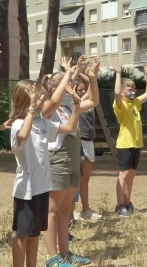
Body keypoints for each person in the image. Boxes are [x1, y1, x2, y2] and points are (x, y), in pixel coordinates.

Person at [9, 81, 79, 267]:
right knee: (22, 235)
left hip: (42, 187)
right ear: (26, 98)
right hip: (27, 190)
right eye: (38, 96)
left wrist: (76, 105)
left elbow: (70, 128)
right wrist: (31, 111)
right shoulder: (18, 124)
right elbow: (22, 137)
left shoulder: (42, 123)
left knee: (34, 234)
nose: (43, 99)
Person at [41, 56, 98, 267]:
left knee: (66, 211)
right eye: (69, 85)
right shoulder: (47, 108)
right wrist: (68, 73)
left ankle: (65, 253)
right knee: (53, 211)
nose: (73, 88)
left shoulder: (67, 109)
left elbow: (92, 101)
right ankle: (52, 257)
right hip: (57, 161)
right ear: (56, 87)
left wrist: (92, 80)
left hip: (73, 160)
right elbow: (55, 99)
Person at [113, 62, 147, 216]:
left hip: (136, 143)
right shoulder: (120, 103)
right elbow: (116, 92)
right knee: (123, 175)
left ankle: (127, 202)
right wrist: (118, 73)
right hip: (125, 144)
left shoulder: (135, 102)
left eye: (134, 89)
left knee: (131, 175)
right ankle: (119, 205)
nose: (133, 92)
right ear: (123, 91)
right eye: (130, 90)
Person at [74, 59, 102, 220]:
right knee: (75, 178)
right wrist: (80, 72)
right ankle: (71, 211)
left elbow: (93, 85)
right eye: (78, 90)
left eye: (83, 90)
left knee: (85, 179)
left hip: (88, 141)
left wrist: (93, 72)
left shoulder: (90, 100)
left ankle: (85, 209)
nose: (81, 92)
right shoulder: (77, 102)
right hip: (78, 141)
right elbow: (90, 87)